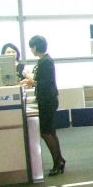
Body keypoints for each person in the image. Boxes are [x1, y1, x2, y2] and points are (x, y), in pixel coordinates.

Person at [20, 35, 65, 176]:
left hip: (47, 101)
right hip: (48, 100)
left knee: (45, 132)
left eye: (31, 47)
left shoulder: (45, 62)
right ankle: (59, 160)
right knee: (50, 131)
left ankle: (57, 163)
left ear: (35, 47)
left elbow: (43, 82)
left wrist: (30, 79)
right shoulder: (45, 60)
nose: (31, 50)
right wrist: (32, 80)